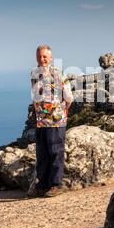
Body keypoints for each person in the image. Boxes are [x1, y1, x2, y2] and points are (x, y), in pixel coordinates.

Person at [28, 45, 74, 198]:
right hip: (41, 121)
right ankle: (42, 184)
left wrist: (60, 111)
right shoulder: (34, 74)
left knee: (55, 152)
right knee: (42, 154)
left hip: (56, 121)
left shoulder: (59, 74)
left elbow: (69, 97)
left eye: (45, 57)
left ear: (51, 58)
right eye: (39, 56)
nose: (42, 59)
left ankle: (55, 185)